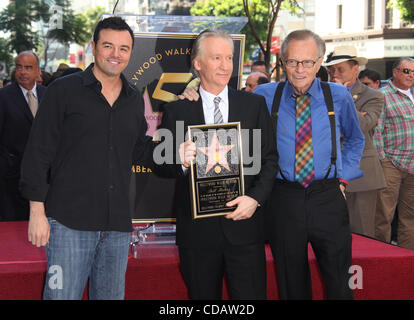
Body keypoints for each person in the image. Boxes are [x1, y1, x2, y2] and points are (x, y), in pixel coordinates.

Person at [20, 17, 153, 300]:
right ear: (93, 47)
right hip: (68, 223)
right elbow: (38, 152)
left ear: (131, 53)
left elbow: (140, 149)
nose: (115, 54)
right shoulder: (64, 91)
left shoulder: (133, 98)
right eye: (108, 46)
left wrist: (180, 156)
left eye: (124, 48)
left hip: (116, 226)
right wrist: (37, 212)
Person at [154, 29, 278, 300]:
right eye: (216, 58)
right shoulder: (177, 110)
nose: (225, 66)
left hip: (245, 228)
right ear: (197, 64)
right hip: (198, 235)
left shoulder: (254, 105)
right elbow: (162, 166)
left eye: (229, 58)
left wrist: (255, 199)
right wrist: (180, 160)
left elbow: (269, 160)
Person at [254, 29, 365, 299]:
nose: (300, 69)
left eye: (307, 62)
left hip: (327, 196)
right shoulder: (263, 95)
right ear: (283, 63)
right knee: (291, 282)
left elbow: (355, 139)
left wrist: (343, 177)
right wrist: (193, 91)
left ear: (319, 62)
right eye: (293, 61)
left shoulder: (337, 95)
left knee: (341, 278)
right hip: (283, 198)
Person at [324, 45, 386, 238]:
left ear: (355, 69)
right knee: (329, 232)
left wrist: (344, 99)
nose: (335, 74)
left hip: (361, 175)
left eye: (340, 69)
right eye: (332, 70)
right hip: (327, 173)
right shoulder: (321, 93)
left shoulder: (374, 95)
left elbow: (363, 126)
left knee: (361, 232)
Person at [0, 51, 47, 221]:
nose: (23, 72)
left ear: (37, 71)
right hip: (11, 178)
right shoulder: (4, 97)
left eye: (28, 68)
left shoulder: (48, 95)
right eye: (19, 67)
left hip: (43, 177)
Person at [374, 57, 414, 250]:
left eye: (413, 72)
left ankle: (407, 259)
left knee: (410, 218)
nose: (411, 75)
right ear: (395, 72)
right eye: (406, 71)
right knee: (383, 215)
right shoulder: (382, 95)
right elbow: (376, 131)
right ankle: (381, 255)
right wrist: (383, 160)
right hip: (391, 163)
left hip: (413, 165)